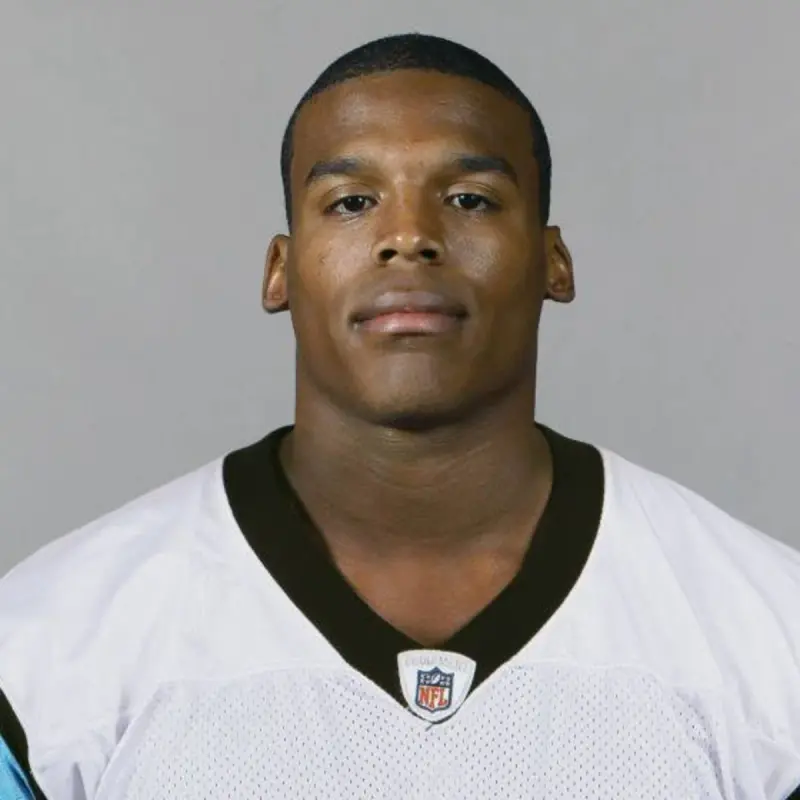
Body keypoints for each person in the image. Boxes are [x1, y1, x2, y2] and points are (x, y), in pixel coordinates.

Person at [0, 32, 798, 800]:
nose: (409, 237)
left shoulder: (770, 638)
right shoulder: (46, 650)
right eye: (351, 202)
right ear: (280, 270)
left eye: (469, 199)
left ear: (553, 260)